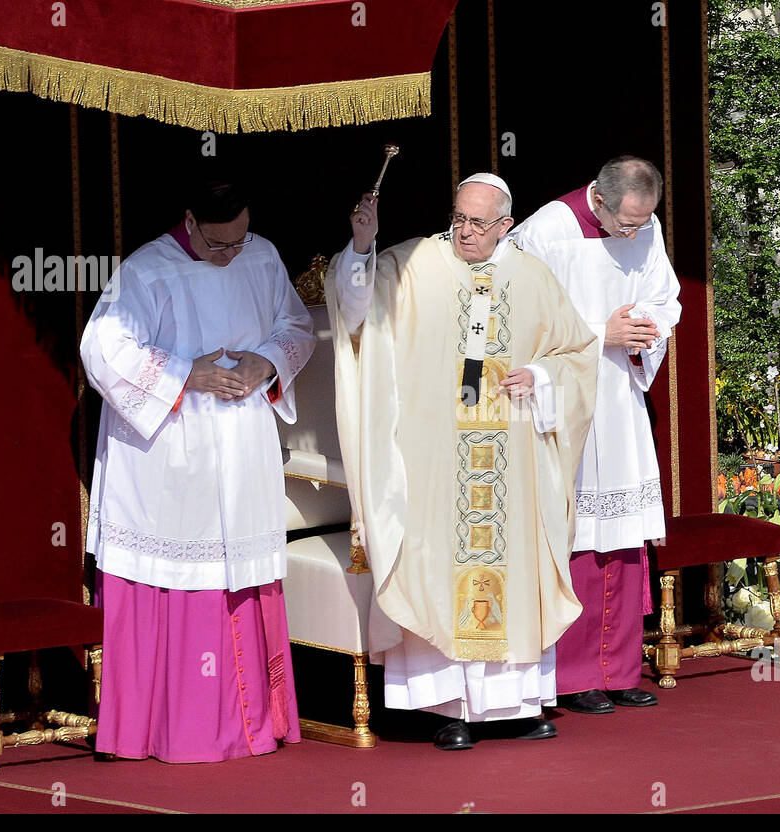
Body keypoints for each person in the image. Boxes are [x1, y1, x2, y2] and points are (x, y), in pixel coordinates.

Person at [326, 173, 599, 750]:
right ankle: (445, 706)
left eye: (479, 223)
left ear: (505, 225)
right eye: (460, 217)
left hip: (512, 451)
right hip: (434, 454)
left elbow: (577, 352)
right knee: (436, 564)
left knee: (513, 565)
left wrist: (542, 376)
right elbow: (354, 310)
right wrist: (361, 245)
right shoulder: (413, 265)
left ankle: (511, 707)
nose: (465, 231)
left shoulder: (531, 277)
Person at [80, 178, 315, 762]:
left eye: (238, 241)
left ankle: (255, 721)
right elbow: (102, 350)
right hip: (172, 455)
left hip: (242, 443)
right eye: (217, 245)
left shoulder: (261, 256)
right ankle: (166, 729)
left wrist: (266, 362)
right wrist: (187, 375)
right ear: (189, 221)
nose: (229, 255)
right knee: (183, 568)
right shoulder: (147, 271)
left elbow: (296, 325)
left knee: (240, 567)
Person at [511, 156, 682, 714]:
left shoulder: (644, 225)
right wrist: (598, 332)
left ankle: (620, 669)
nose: (634, 234)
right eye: (626, 224)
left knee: (623, 535)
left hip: (621, 398)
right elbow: (515, 318)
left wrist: (643, 332)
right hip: (568, 400)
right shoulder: (545, 233)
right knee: (580, 536)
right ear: (599, 201)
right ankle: (575, 675)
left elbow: (664, 295)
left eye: (643, 223)